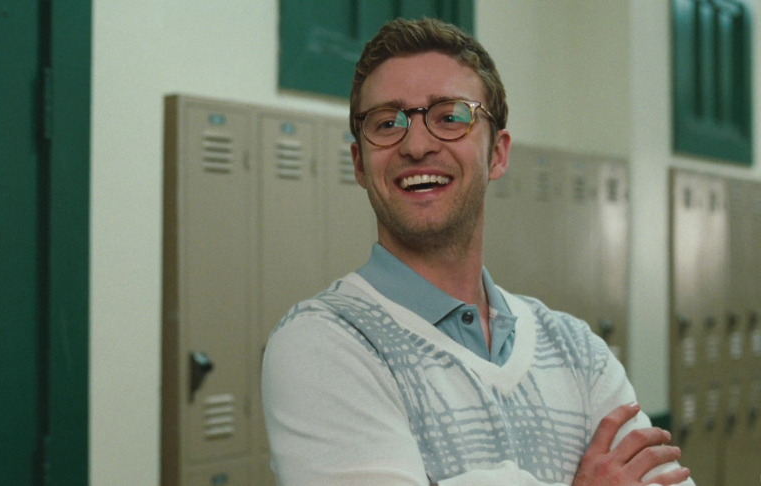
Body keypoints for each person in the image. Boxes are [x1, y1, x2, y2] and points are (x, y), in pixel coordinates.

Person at [262, 17, 694, 486]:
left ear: (498, 154)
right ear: (360, 164)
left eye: (450, 117)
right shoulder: (324, 342)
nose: (416, 145)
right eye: (387, 123)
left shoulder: (576, 350)